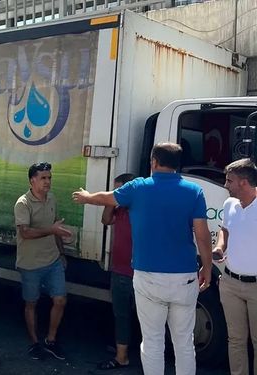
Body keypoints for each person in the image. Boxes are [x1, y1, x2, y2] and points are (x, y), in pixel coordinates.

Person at [72, 142, 212, 375]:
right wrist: (206, 267)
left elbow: (106, 198)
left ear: (154, 162)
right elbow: (203, 235)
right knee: (184, 342)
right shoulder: (194, 191)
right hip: (184, 277)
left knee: (153, 341)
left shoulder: (138, 187)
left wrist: (86, 197)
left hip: (148, 277)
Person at [14, 162, 72, 361]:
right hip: (30, 263)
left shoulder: (52, 198)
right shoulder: (23, 203)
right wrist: (52, 230)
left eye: (49, 177)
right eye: (43, 178)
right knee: (31, 303)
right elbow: (25, 232)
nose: (47, 182)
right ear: (32, 180)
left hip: (52, 259)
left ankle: (51, 340)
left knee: (60, 300)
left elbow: (55, 226)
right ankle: (34, 343)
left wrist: (62, 253)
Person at [214, 158, 257, 375]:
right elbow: (225, 230)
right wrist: (220, 247)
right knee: (236, 340)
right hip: (230, 282)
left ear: (244, 183)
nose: (225, 185)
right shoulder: (229, 204)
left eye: (229, 181)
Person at [98, 173, 135, 370]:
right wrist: (111, 201)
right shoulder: (119, 210)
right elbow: (105, 219)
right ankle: (122, 356)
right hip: (119, 269)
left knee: (145, 317)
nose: (117, 194)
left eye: (119, 190)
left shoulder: (140, 208)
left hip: (138, 271)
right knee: (121, 314)